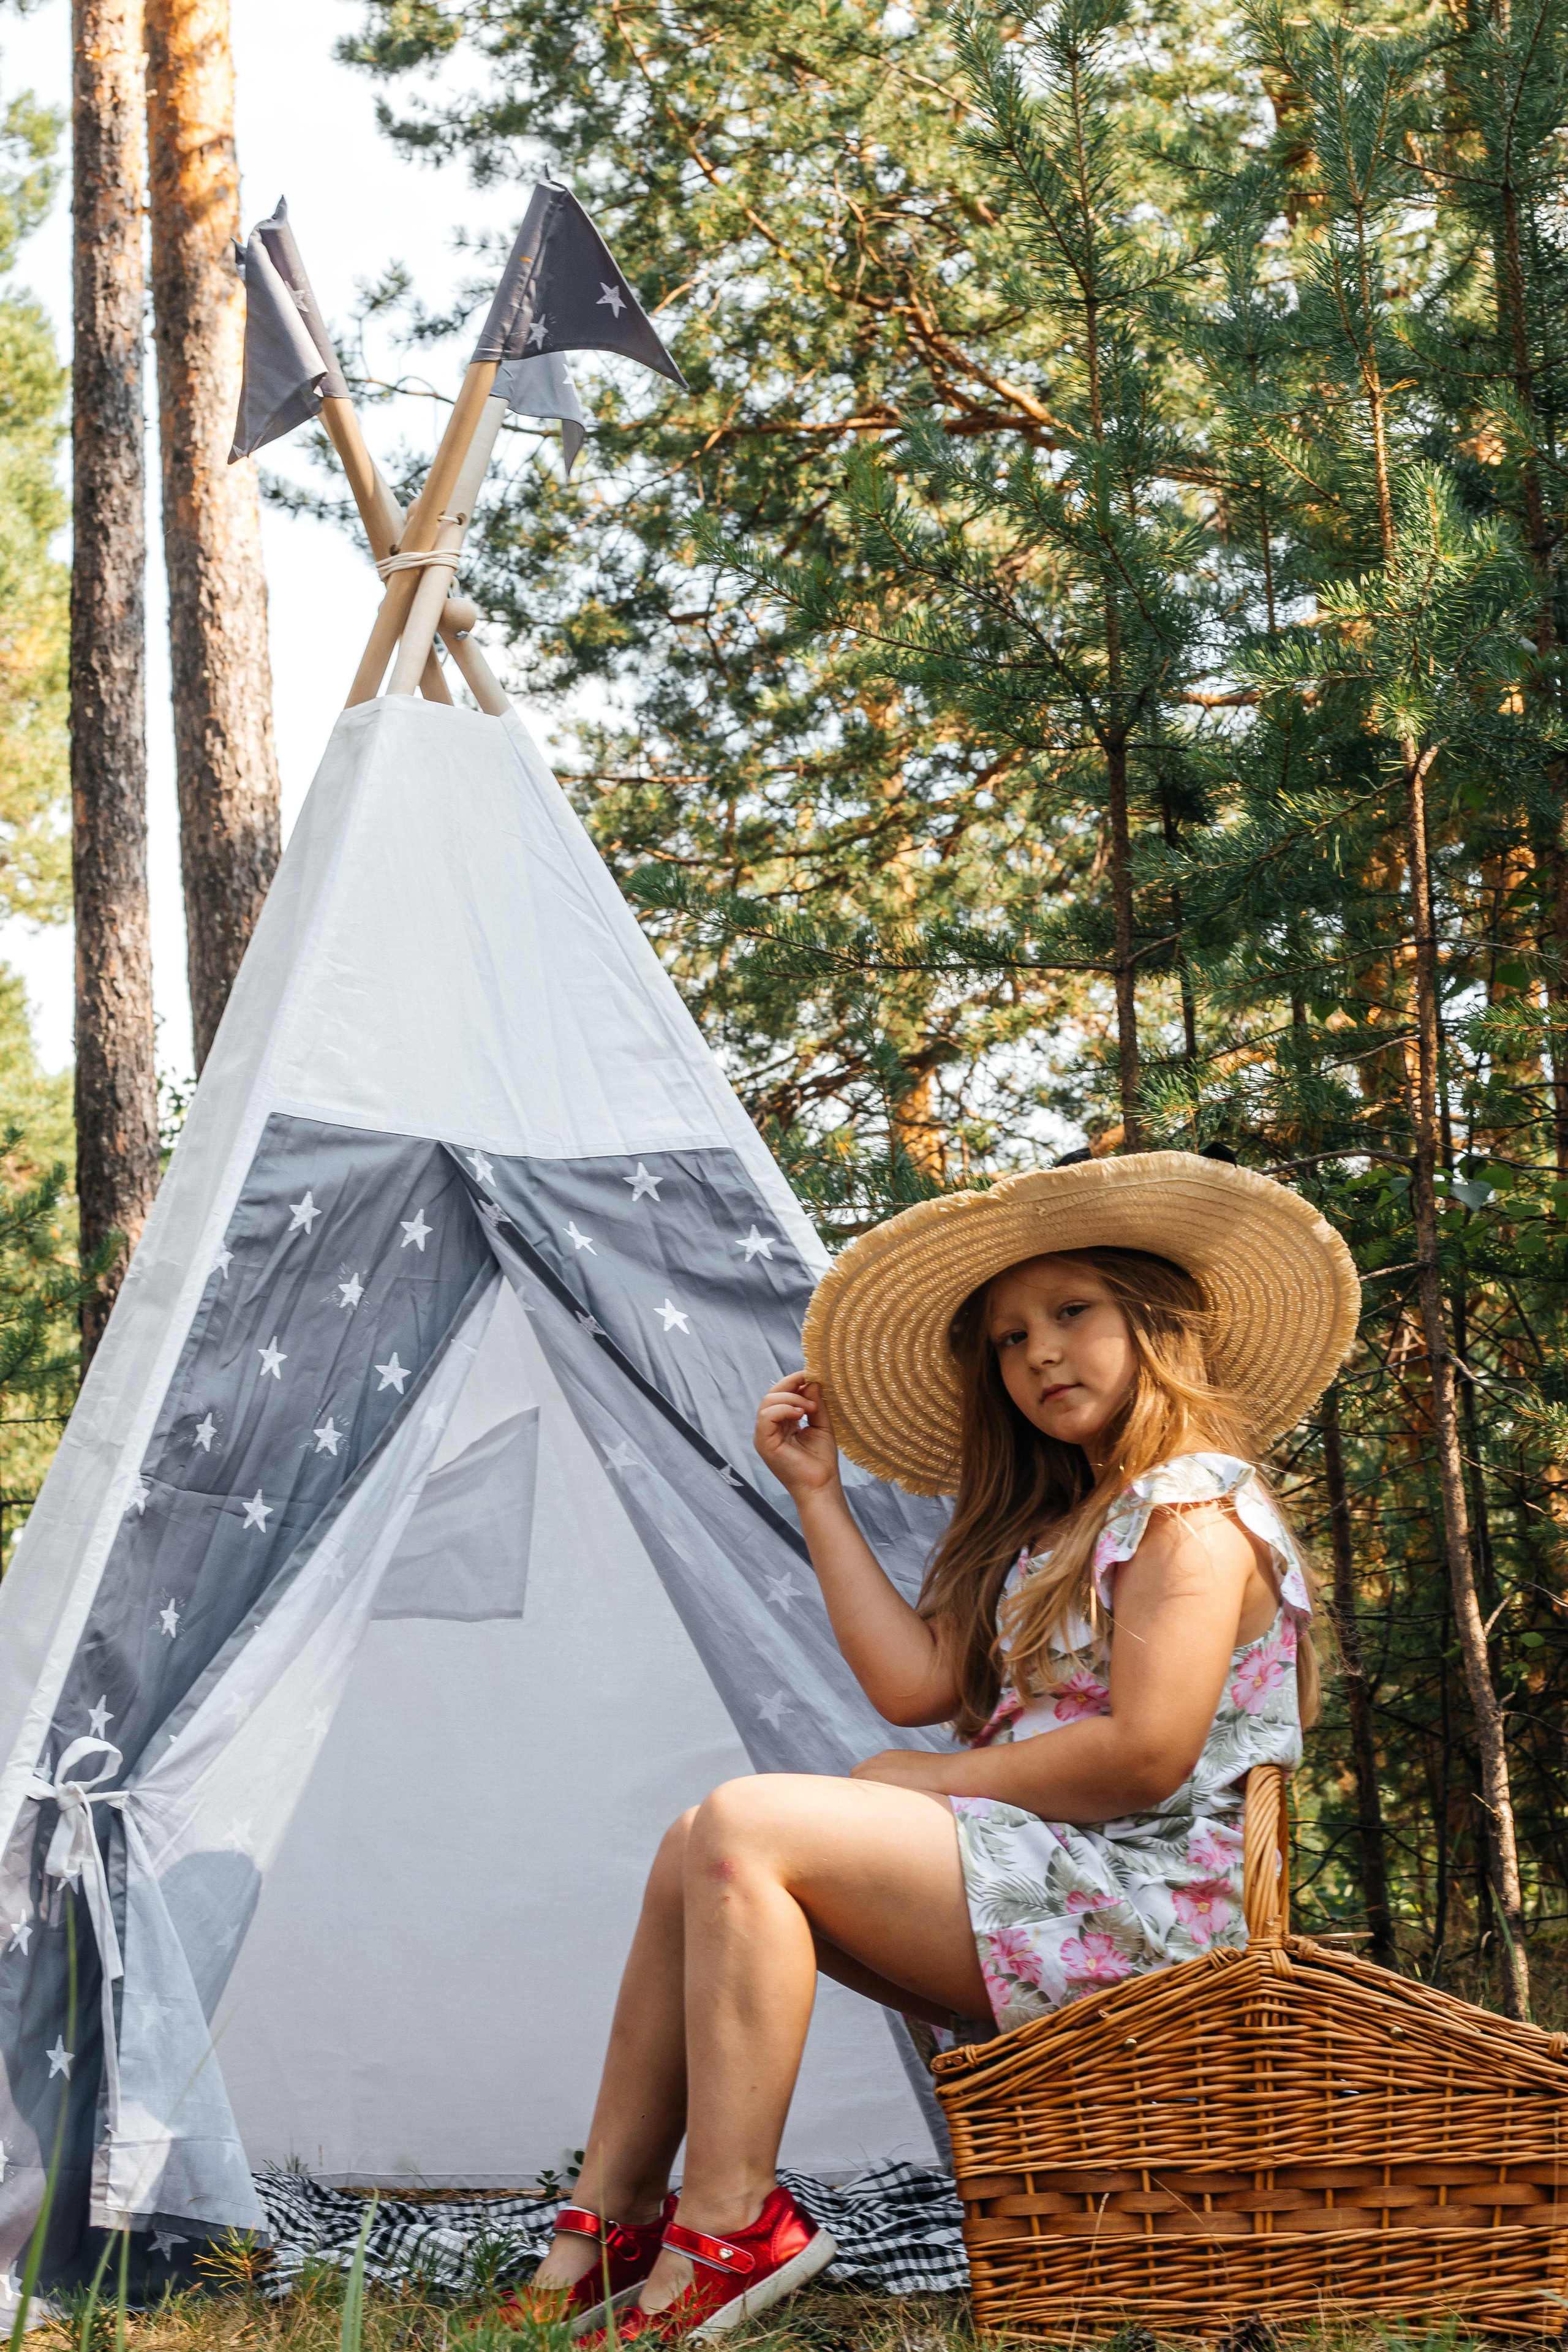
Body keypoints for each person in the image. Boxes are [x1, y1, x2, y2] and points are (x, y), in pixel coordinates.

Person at [502, 1153, 1359, 2347]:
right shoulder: (1055, 1527)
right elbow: (911, 1683)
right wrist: (817, 1495)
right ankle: (605, 2228)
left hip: (1153, 1908)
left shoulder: (1191, 1511)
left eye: (1071, 1313)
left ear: (1151, 1321)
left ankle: (731, 2225)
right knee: (691, 1838)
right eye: (1008, 1340)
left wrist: (929, 1783)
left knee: (749, 1822)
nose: (1040, 1354)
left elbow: (1145, 1756)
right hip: (1047, 1876)